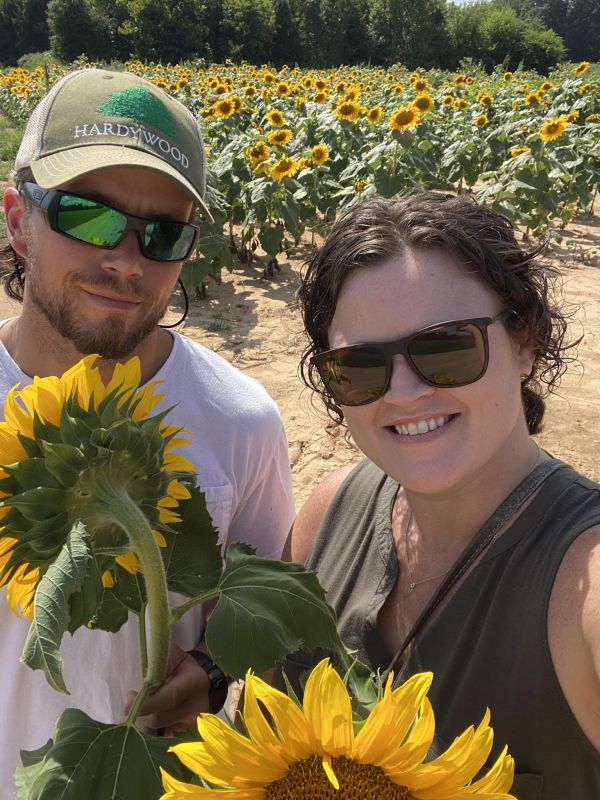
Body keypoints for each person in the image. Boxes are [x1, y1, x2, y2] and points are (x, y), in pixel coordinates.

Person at [0, 68, 295, 795]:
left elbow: (264, 618)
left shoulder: (240, 421)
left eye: (162, 234)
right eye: (87, 215)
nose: (125, 260)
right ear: (16, 219)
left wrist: (214, 670)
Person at [284, 192, 600, 798]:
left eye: (447, 347)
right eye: (359, 366)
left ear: (525, 341)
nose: (403, 394)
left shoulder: (579, 580)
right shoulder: (327, 517)